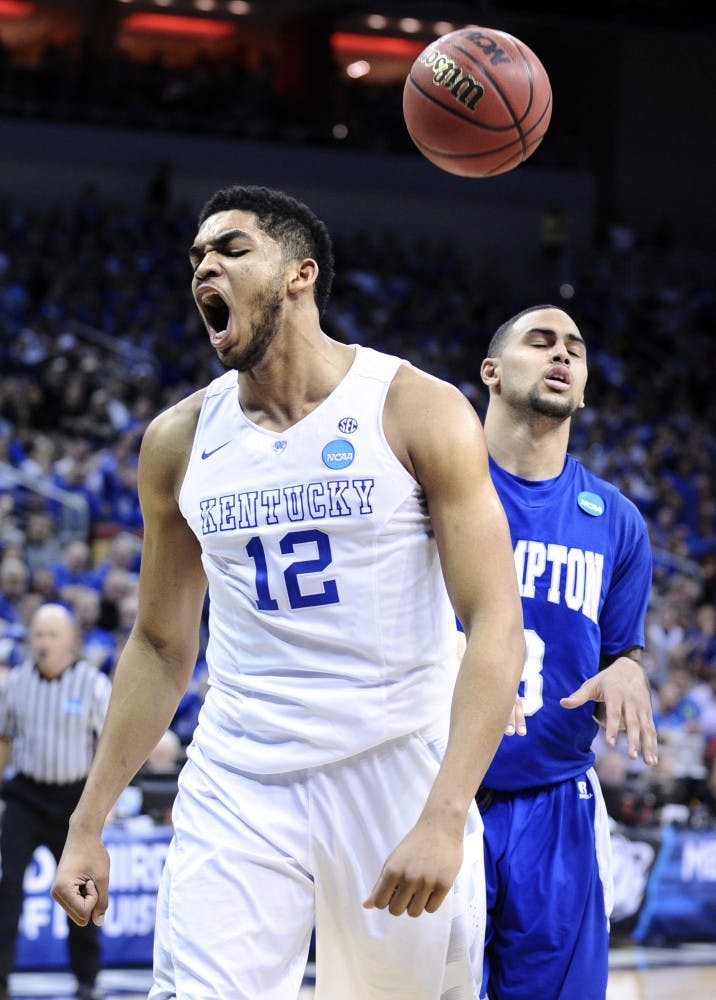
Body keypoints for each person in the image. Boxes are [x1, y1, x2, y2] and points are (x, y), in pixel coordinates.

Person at [51, 185, 526, 999]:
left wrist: (447, 812)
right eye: (196, 257)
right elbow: (162, 646)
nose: (206, 265)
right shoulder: (177, 440)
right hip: (239, 773)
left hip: (392, 768)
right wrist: (87, 821)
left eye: (231, 249)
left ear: (300, 274)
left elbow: (493, 622)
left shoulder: (415, 408)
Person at [475, 304, 658, 999]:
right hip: (432, 788)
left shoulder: (616, 518)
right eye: (541, 341)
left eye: (575, 350)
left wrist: (631, 668)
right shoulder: (430, 488)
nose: (562, 356)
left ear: (582, 386)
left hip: (557, 800)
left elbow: (620, 651)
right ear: (491, 371)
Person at [0, 602, 112, 1000]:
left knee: (80, 889)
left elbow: (108, 747)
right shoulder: (13, 683)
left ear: (71, 642)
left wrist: (103, 806)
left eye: (52, 635)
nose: (43, 642)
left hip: (74, 801)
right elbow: (4, 738)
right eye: (38, 635)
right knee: (7, 883)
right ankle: (1, 978)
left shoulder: (93, 684)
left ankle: (87, 980)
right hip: (26, 794)